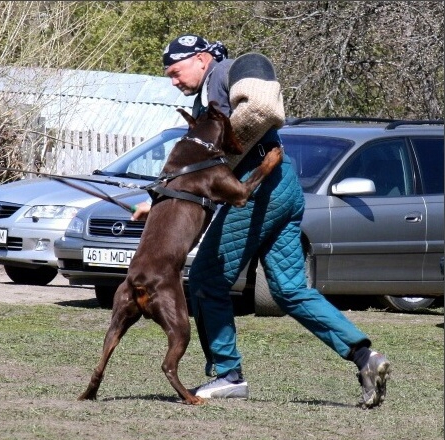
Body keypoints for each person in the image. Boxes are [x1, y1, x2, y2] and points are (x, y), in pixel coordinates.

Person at [132, 34, 391, 409]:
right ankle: (365, 357)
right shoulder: (205, 97)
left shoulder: (229, 70)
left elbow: (264, 109)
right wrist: (153, 199)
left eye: (175, 72)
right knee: (287, 289)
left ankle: (228, 374)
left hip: (258, 191)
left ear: (201, 58)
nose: (173, 81)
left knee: (207, 277)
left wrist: (225, 169)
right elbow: (192, 164)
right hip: (282, 186)